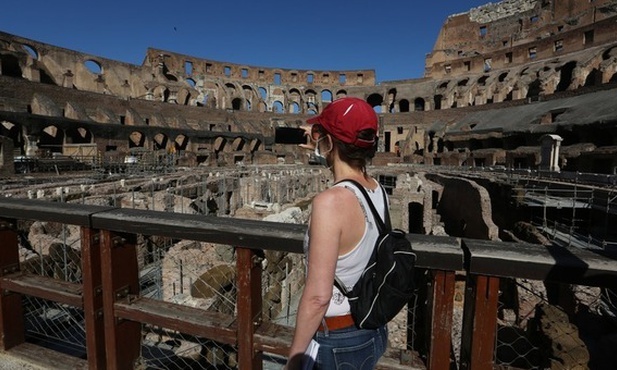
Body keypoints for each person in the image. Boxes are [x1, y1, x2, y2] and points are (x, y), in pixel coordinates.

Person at [286, 97, 388, 369]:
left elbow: (319, 297)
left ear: (328, 142)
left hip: (338, 338)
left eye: (320, 134)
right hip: (372, 329)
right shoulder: (378, 190)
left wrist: (295, 358)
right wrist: (321, 144)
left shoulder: (329, 203)